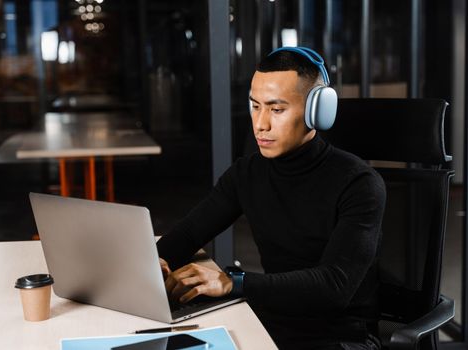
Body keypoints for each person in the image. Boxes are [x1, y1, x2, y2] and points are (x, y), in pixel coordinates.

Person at [156, 47, 386, 350]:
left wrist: (232, 282)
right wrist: (156, 261)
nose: (261, 124)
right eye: (255, 106)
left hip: (339, 338)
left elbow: (334, 285)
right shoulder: (247, 173)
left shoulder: (359, 184)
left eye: (276, 110)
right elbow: (189, 233)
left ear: (317, 110)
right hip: (269, 322)